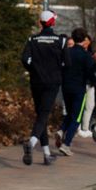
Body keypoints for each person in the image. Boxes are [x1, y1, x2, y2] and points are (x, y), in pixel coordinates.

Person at [21, 9, 69, 166]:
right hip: (52, 82)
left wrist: (34, 69)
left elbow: (25, 59)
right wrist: (57, 69)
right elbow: (66, 63)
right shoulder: (60, 41)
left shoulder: (32, 39)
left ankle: (47, 154)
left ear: (41, 23)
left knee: (40, 115)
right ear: (52, 22)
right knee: (43, 115)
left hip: (36, 81)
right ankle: (32, 143)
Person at [59, 27, 96, 152]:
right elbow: (90, 72)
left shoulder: (67, 52)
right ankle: (67, 144)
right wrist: (94, 80)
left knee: (69, 113)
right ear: (84, 39)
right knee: (77, 117)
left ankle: (61, 131)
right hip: (79, 88)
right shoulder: (86, 55)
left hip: (66, 87)